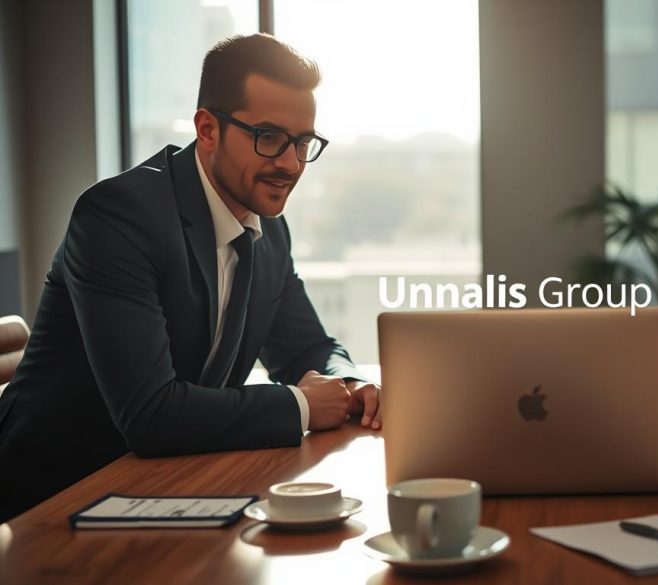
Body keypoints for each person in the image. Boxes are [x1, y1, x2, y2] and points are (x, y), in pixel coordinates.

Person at [0, 34, 382, 523]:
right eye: (268, 137)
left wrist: (347, 382)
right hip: (52, 504)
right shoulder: (118, 217)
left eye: (303, 142)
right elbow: (151, 415)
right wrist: (300, 406)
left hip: (169, 488)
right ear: (207, 128)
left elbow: (305, 347)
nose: (289, 163)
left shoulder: (268, 229)